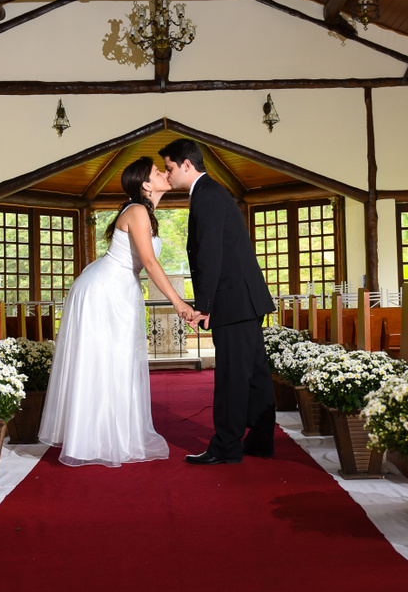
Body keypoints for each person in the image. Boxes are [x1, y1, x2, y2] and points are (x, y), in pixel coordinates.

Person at [39, 157, 194, 467]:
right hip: (103, 290)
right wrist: (179, 302)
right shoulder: (137, 211)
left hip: (119, 290)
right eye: (156, 171)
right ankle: (93, 438)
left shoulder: (145, 212)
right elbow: (150, 264)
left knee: (118, 362)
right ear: (145, 184)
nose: (164, 173)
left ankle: (112, 434)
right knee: (103, 362)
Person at [159, 138, 277, 465]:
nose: (168, 176)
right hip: (245, 299)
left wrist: (205, 306)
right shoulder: (212, 192)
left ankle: (226, 447)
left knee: (231, 377)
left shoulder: (206, 195)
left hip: (233, 301)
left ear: (186, 164)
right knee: (253, 374)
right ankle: (261, 440)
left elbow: (210, 254)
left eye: (169, 168)